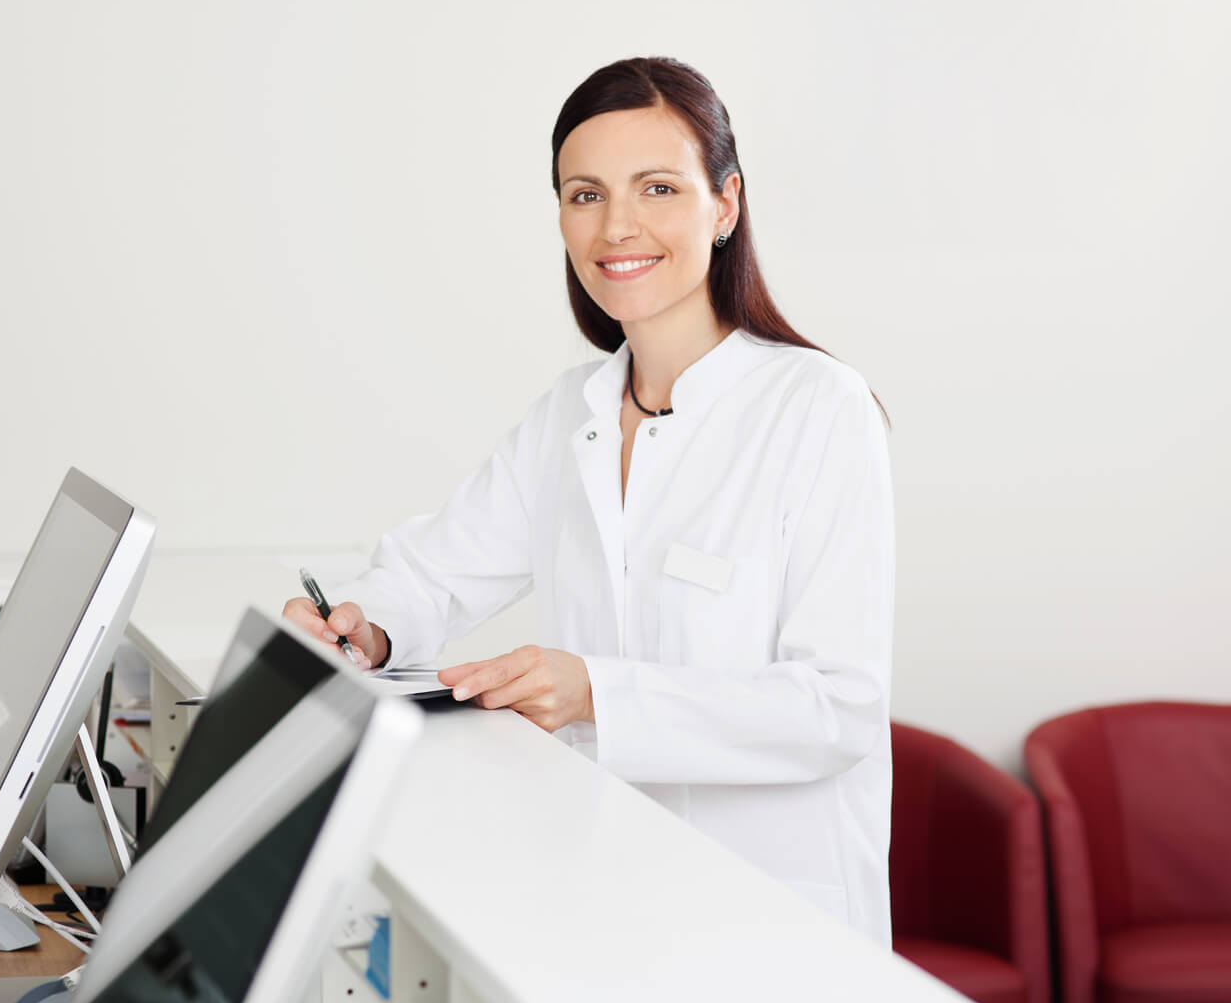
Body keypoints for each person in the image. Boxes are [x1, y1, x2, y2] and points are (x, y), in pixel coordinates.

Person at [283, 57, 895, 943]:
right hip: (603, 901)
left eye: (657, 188)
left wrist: (598, 694)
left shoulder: (818, 410)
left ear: (725, 204)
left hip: (772, 927)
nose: (618, 226)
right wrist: (365, 625)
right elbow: (430, 573)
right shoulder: (571, 414)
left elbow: (835, 707)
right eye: (585, 194)